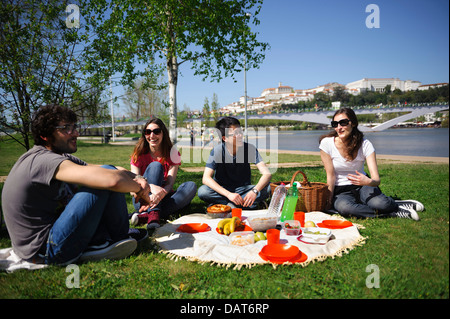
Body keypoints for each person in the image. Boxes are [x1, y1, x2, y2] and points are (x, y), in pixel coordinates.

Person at [1, 104, 152, 266]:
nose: (76, 133)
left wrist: (138, 177)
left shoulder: (56, 156)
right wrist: (139, 190)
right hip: (47, 249)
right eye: (67, 128)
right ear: (45, 135)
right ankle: (105, 240)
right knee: (105, 178)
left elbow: (113, 169)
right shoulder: (42, 161)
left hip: (53, 238)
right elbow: (112, 180)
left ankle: (114, 237)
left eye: (75, 127)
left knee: (107, 171)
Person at [319, 107, 424, 220]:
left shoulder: (365, 145)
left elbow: (376, 180)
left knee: (380, 204)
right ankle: (394, 211)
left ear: (353, 123)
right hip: (341, 191)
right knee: (345, 209)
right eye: (335, 124)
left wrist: (368, 181)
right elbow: (330, 176)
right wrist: (329, 201)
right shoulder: (327, 144)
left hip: (364, 186)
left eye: (343, 123)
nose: (339, 128)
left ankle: (393, 204)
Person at [129, 118, 197, 229]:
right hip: (142, 199)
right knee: (156, 166)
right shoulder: (139, 154)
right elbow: (133, 188)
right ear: (144, 134)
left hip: (163, 196)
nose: (152, 135)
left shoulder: (173, 154)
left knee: (191, 186)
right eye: (148, 132)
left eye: (156, 131)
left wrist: (161, 194)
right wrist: (151, 187)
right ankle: (154, 213)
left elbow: (170, 184)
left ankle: (146, 216)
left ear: (163, 133)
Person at [198, 117, 272, 209]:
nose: (240, 136)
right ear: (224, 138)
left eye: (240, 132)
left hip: (244, 189)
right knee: (203, 191)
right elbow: (206, 178)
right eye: (235, 134)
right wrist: (229, 194)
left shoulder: (249, 149)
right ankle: (244, 203)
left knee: (270, 188)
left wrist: (254, 191)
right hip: (223, 190)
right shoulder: (217, 151)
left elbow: (267, 174)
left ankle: (229, 204)